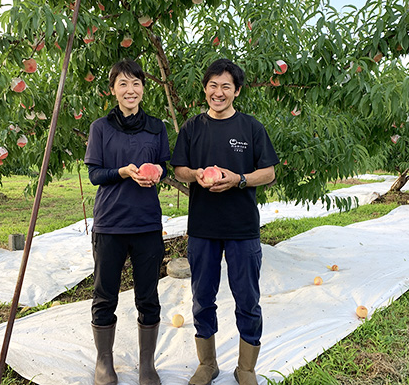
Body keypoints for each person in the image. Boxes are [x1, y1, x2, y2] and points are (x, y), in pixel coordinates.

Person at [170, 59, 279, 385]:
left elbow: (270, 173)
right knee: (203, 297)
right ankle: (208, 363)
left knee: (248, 298)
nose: (219, 92)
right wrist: (197, 174)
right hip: (203, 227)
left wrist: (239, 179)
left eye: (226, 87)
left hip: (242, 228)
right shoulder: (192, 128)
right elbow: (179, 170)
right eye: (213, 85)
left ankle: (245, 368)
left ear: (236, 91)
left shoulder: (251, 127)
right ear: (205, 89)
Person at [84, 59, 170, 385]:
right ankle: (104, 363)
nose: (130, 90)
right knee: (105, 295)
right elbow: (94, 175)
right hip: (110, 224)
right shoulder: (100, 128)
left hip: (146, 224)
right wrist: (121, 172)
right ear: (113, 90)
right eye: (123, 83)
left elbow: (162, 165)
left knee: (147, 296)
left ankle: (147, 365)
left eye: (136, 83)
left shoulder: (156, 127)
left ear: (143, 89)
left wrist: (157, 172)